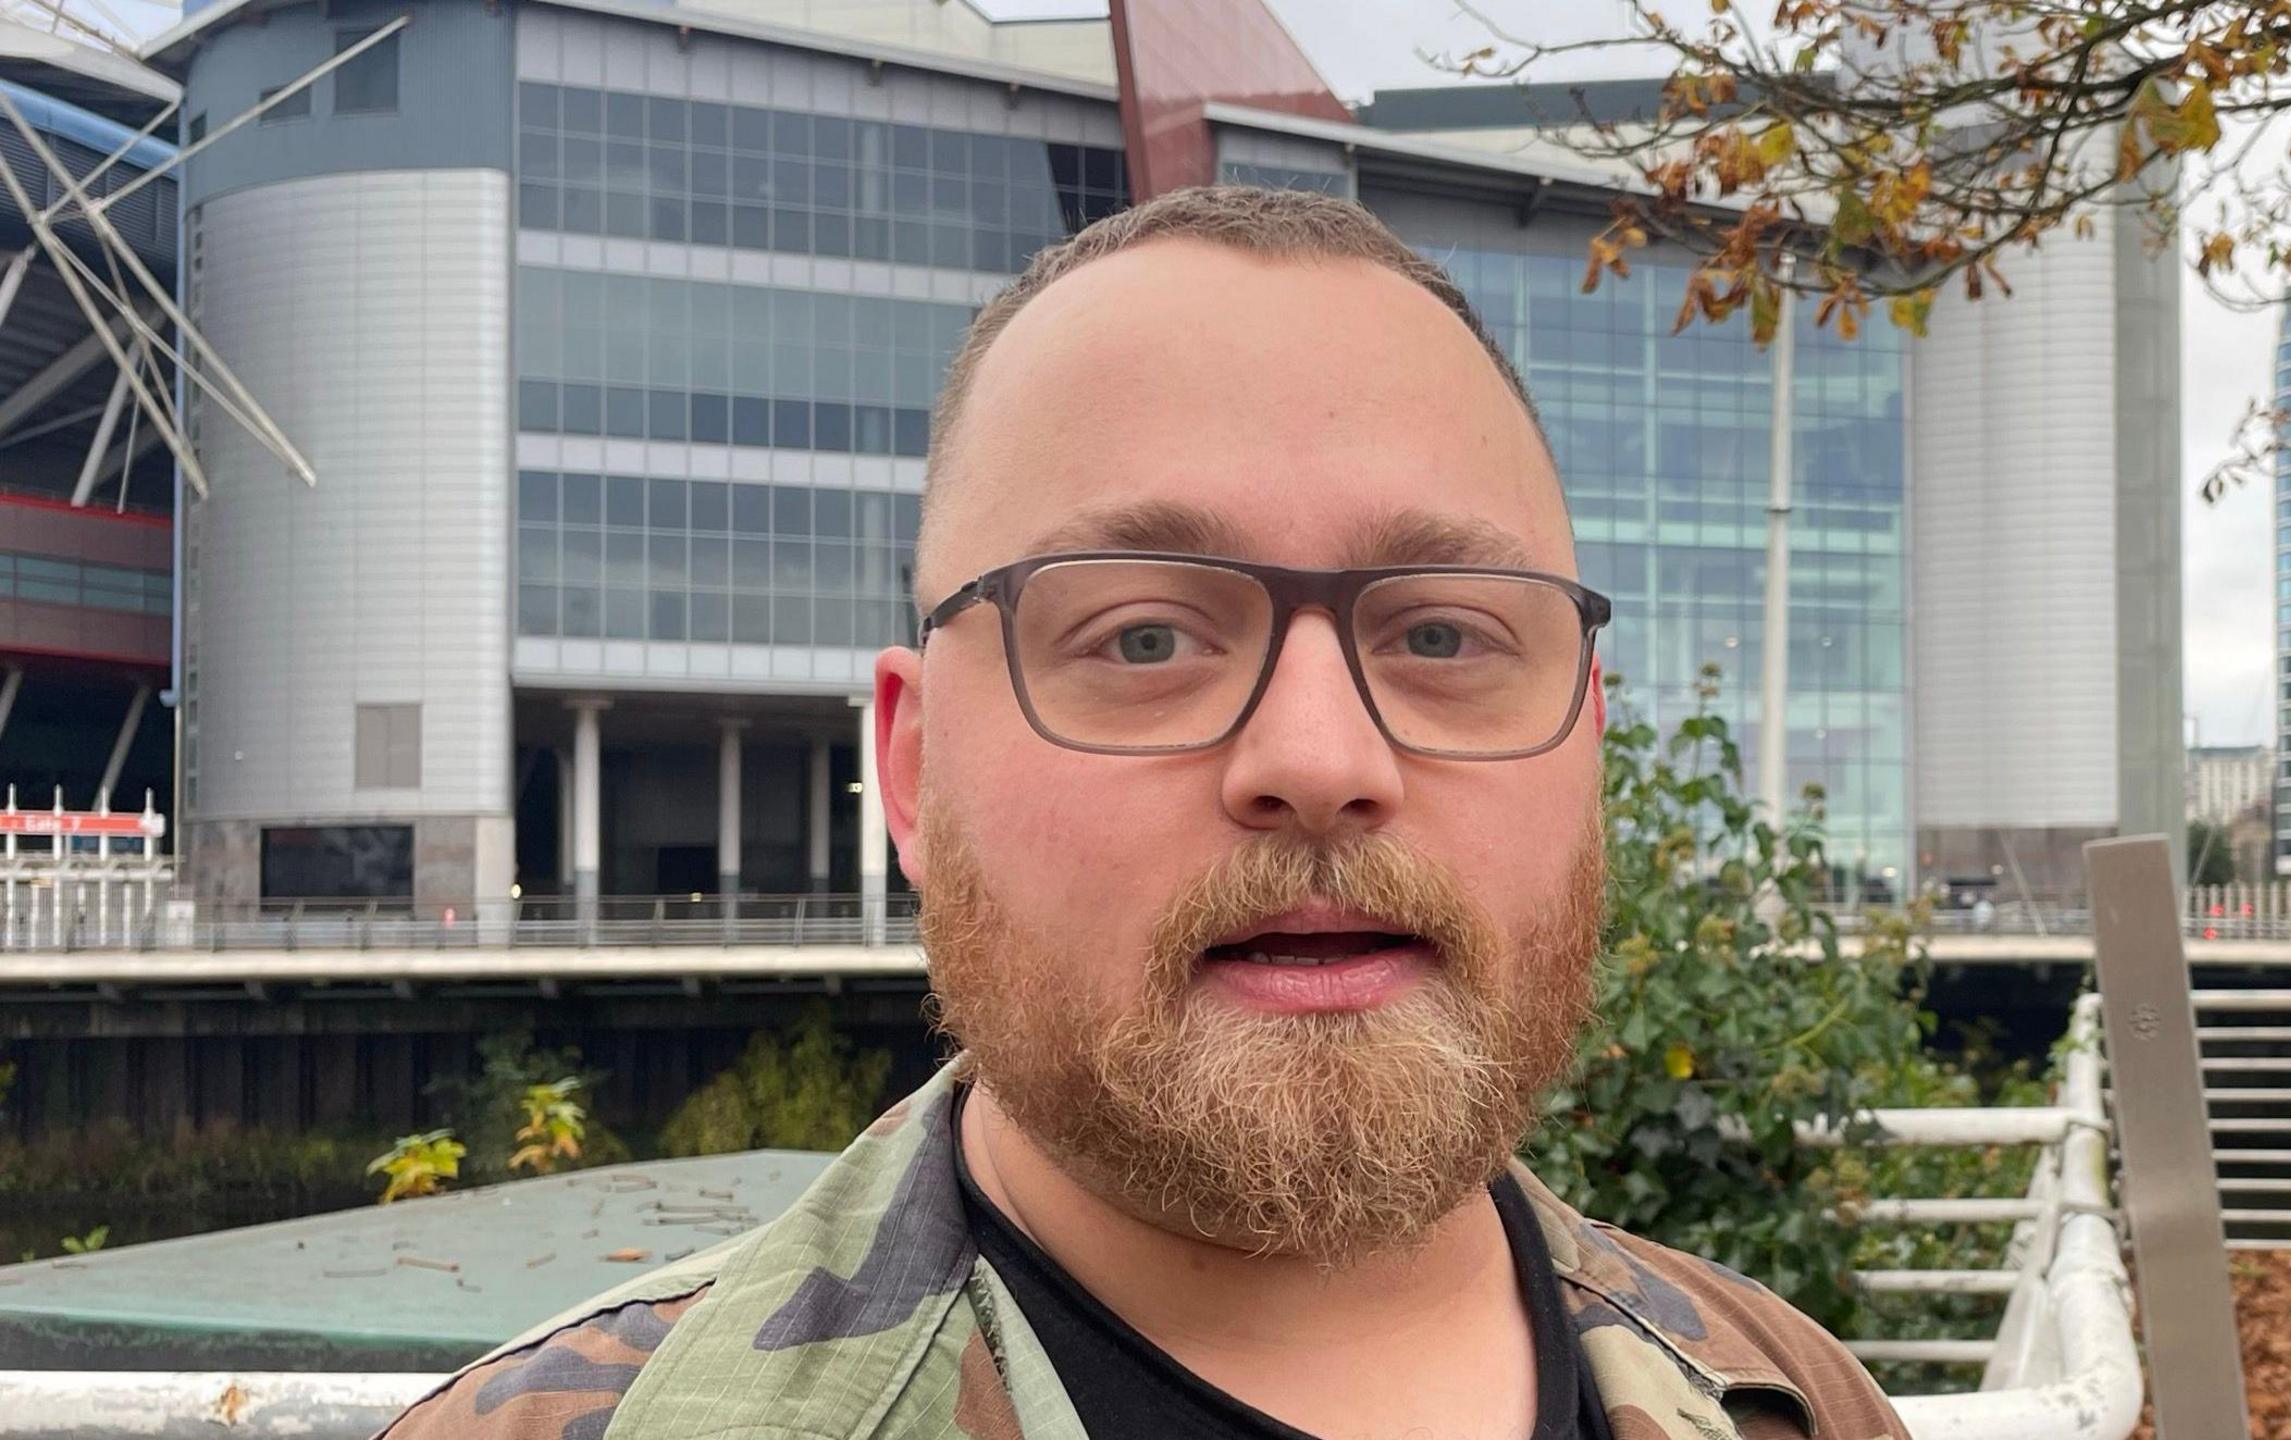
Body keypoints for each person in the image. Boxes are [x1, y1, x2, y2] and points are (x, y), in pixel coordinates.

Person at [378, 186, 1909, 1440]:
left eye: (1442, 636)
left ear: (1586, 733)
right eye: (1145, 639)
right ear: (914, 772)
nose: (1319, 759)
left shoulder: (1806, 1405)